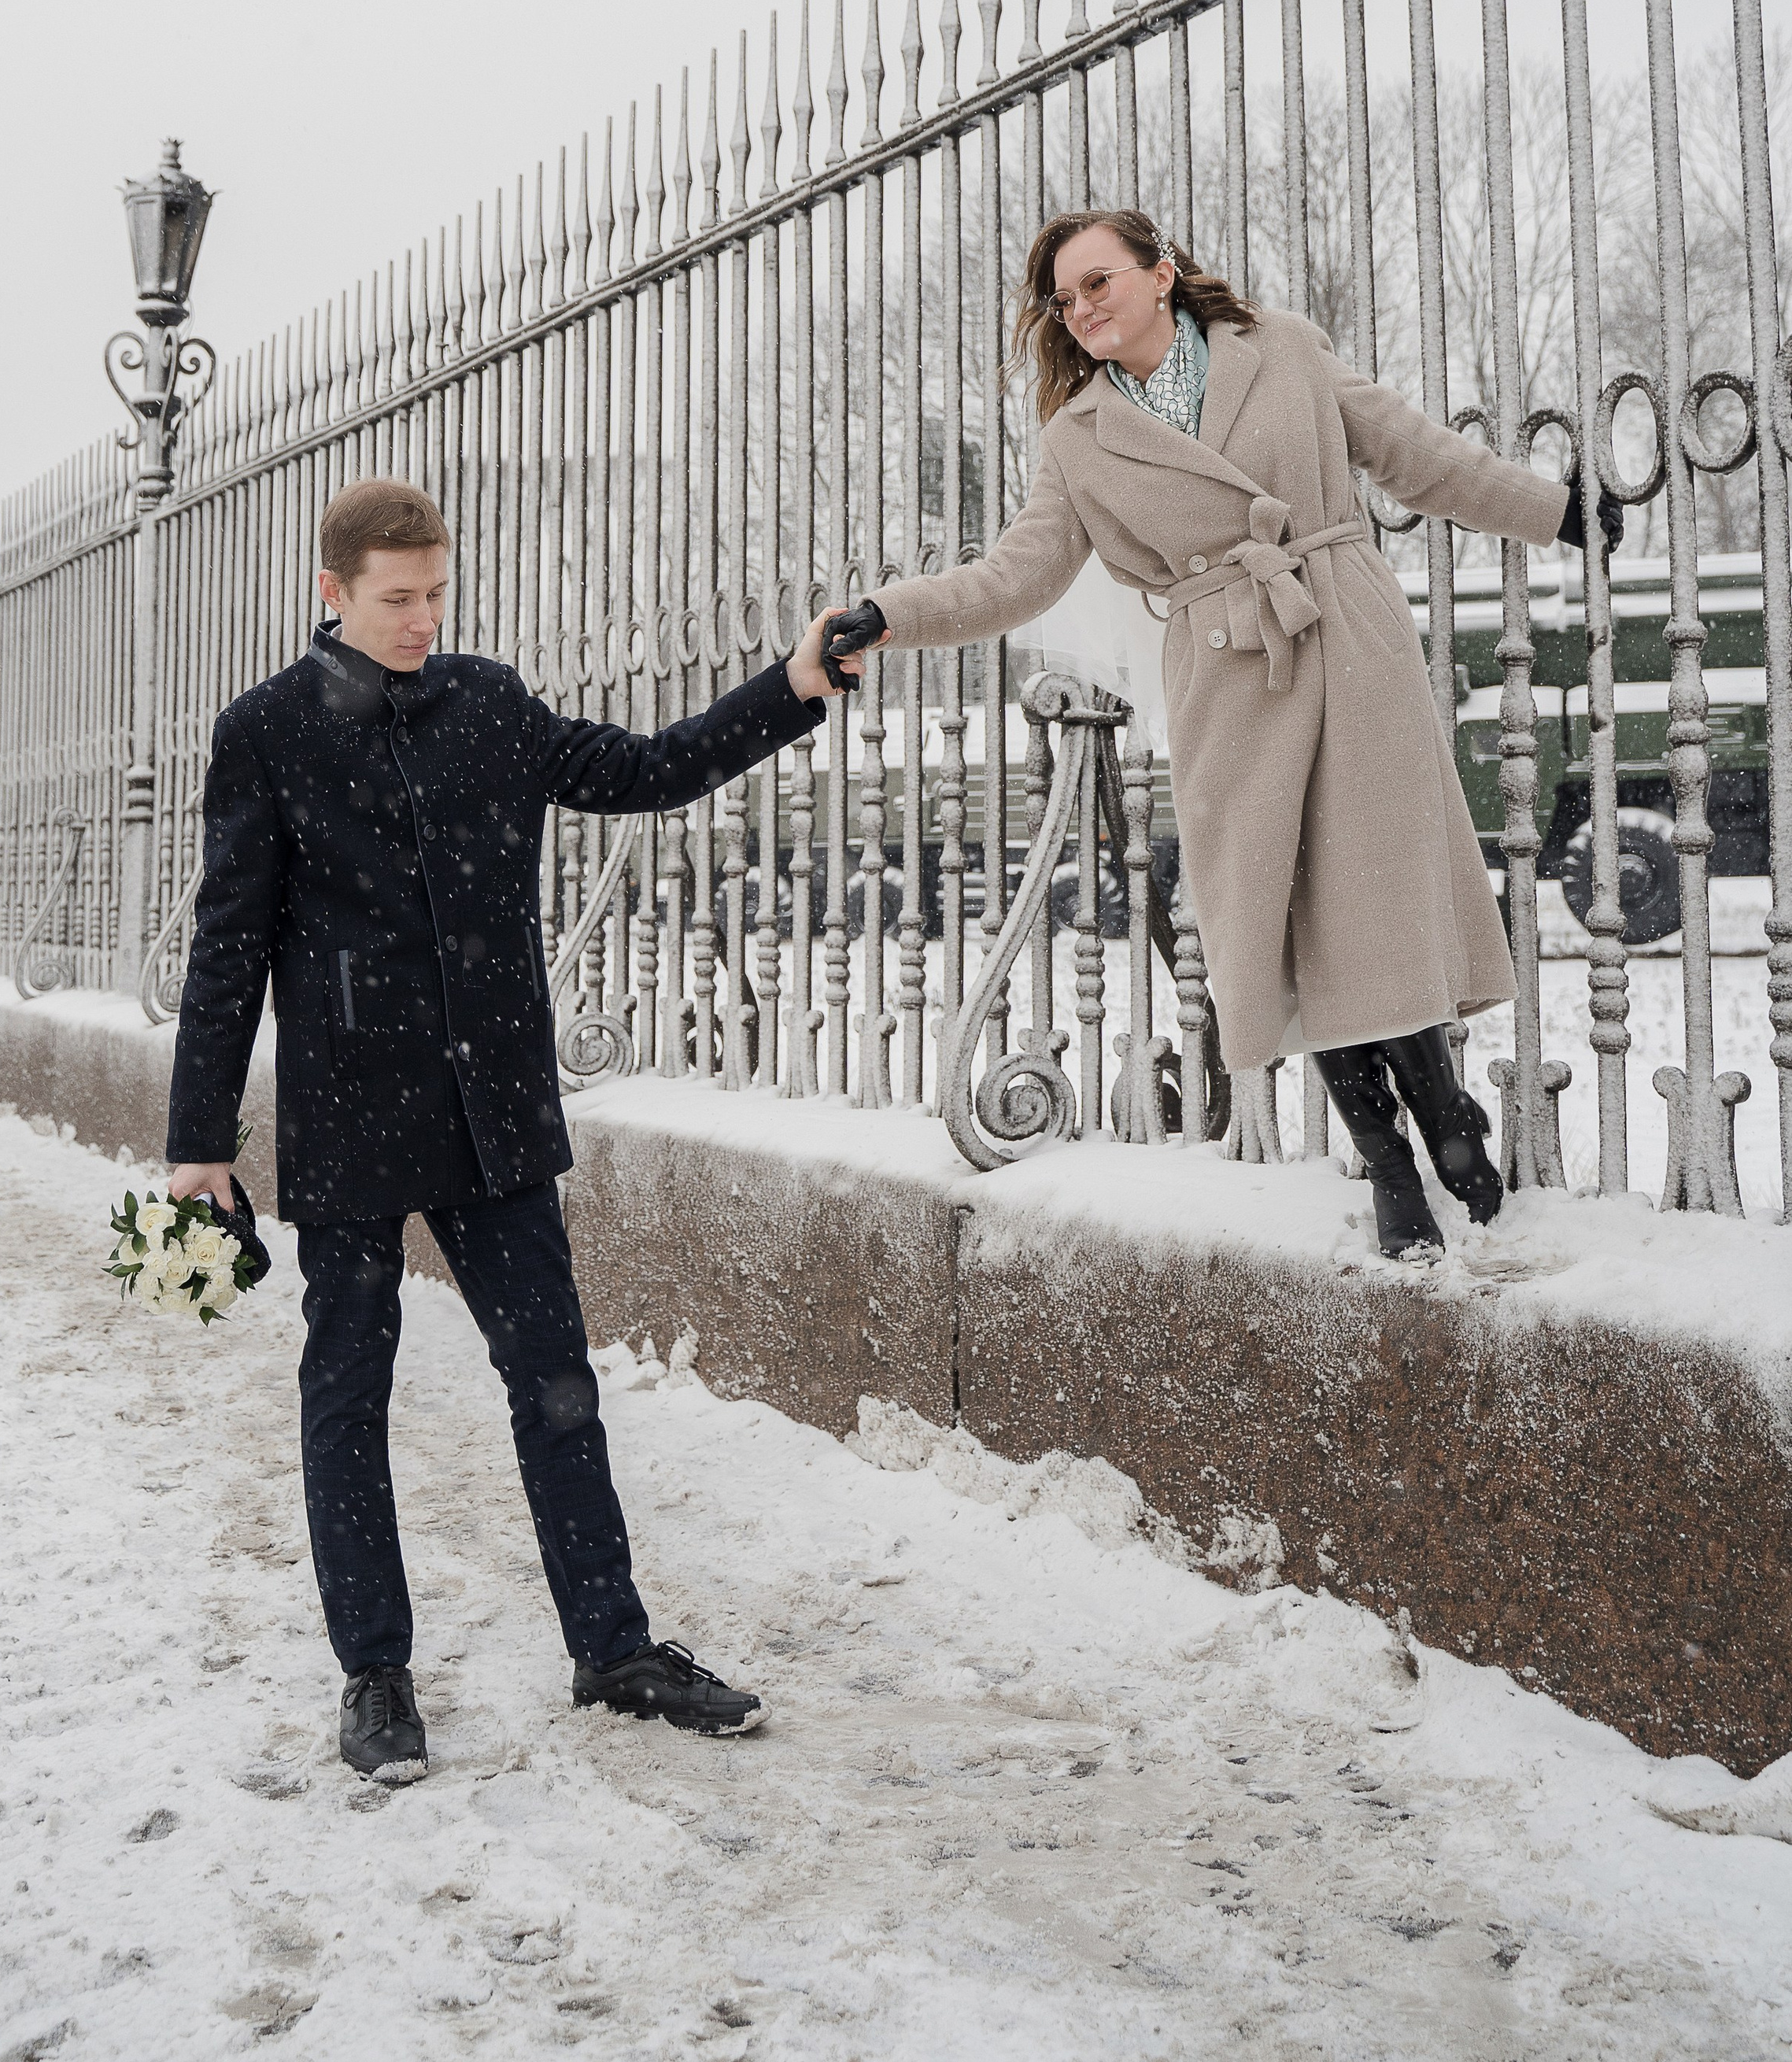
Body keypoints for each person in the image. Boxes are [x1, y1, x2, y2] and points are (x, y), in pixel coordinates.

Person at [165, 475, 844, 1779]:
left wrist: (792, 688)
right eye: (396, 599)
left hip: (493, 1113)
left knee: (556, 1383)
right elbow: (227, 945)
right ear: (335, 594)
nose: (422, 619)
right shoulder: (267, 733)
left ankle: (615, 1647)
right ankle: (374, 1677)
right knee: (346, 1398)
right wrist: (200, 1139)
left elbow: (643, 771)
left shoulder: (488, 703)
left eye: (435, 594)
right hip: (350, 1120)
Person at [822, 210, 1620, 1258]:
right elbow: (1019, 574)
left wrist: (1553, 510)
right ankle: (1385, 1155)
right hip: (1225, 669)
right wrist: (894, 614)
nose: (1083, 307)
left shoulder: (1282, 346)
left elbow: (1412, 456)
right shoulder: (1079, 440)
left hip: (1345, 635)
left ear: (1161, 275)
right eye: (1066, 299)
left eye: (1100, 280)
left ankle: (1442, 1112)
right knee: (1281, 911)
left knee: (1372, 897)